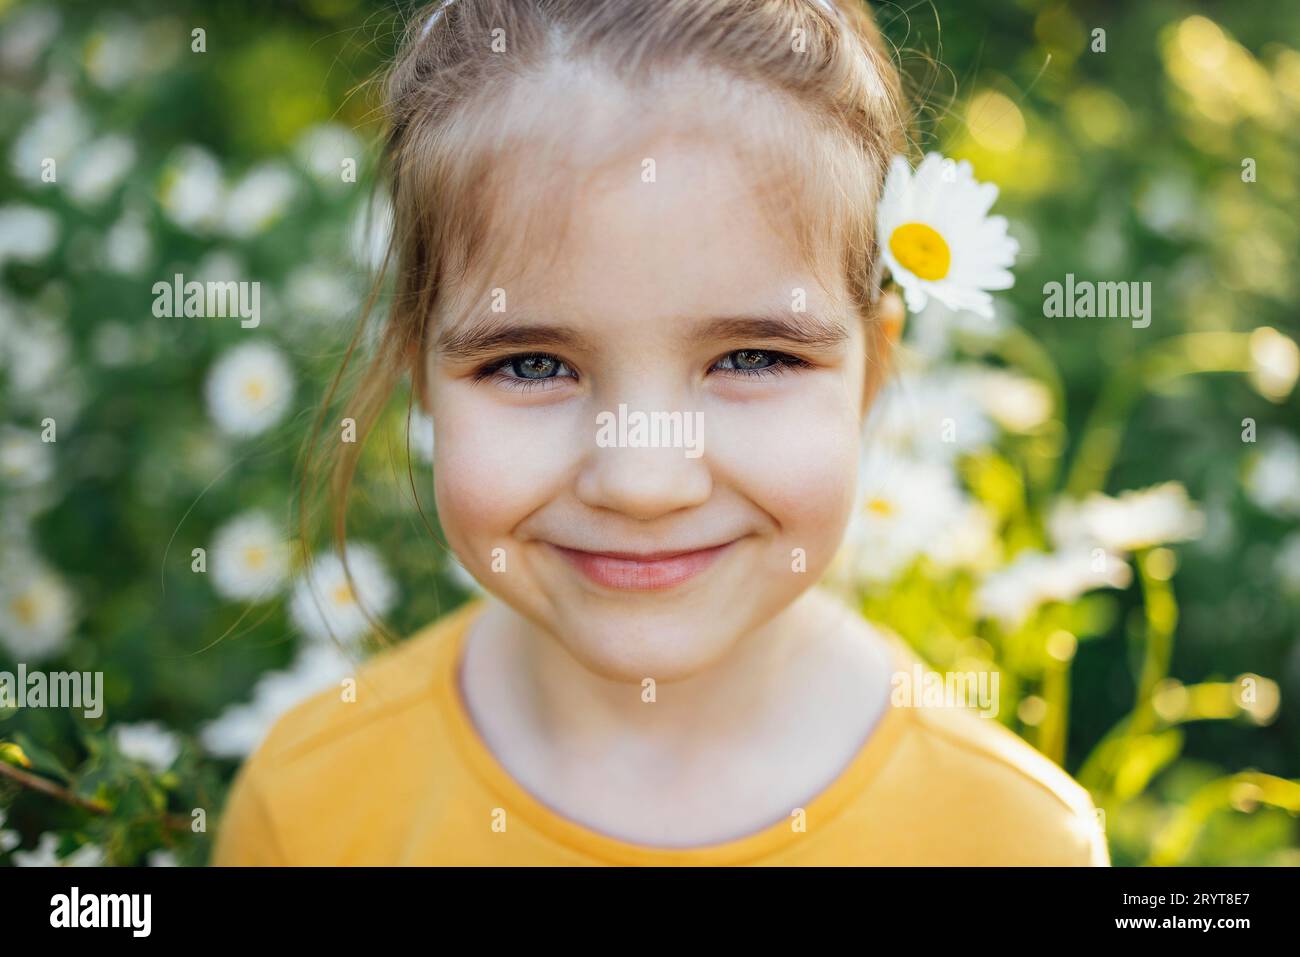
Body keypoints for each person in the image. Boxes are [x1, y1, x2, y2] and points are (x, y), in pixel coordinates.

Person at [213, 0, 1109, 866]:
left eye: (752, 358)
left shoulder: (1017, 843)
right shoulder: (310, 809)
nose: (643, 482)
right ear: (421, 379)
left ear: (872, 370)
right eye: (532, 364)